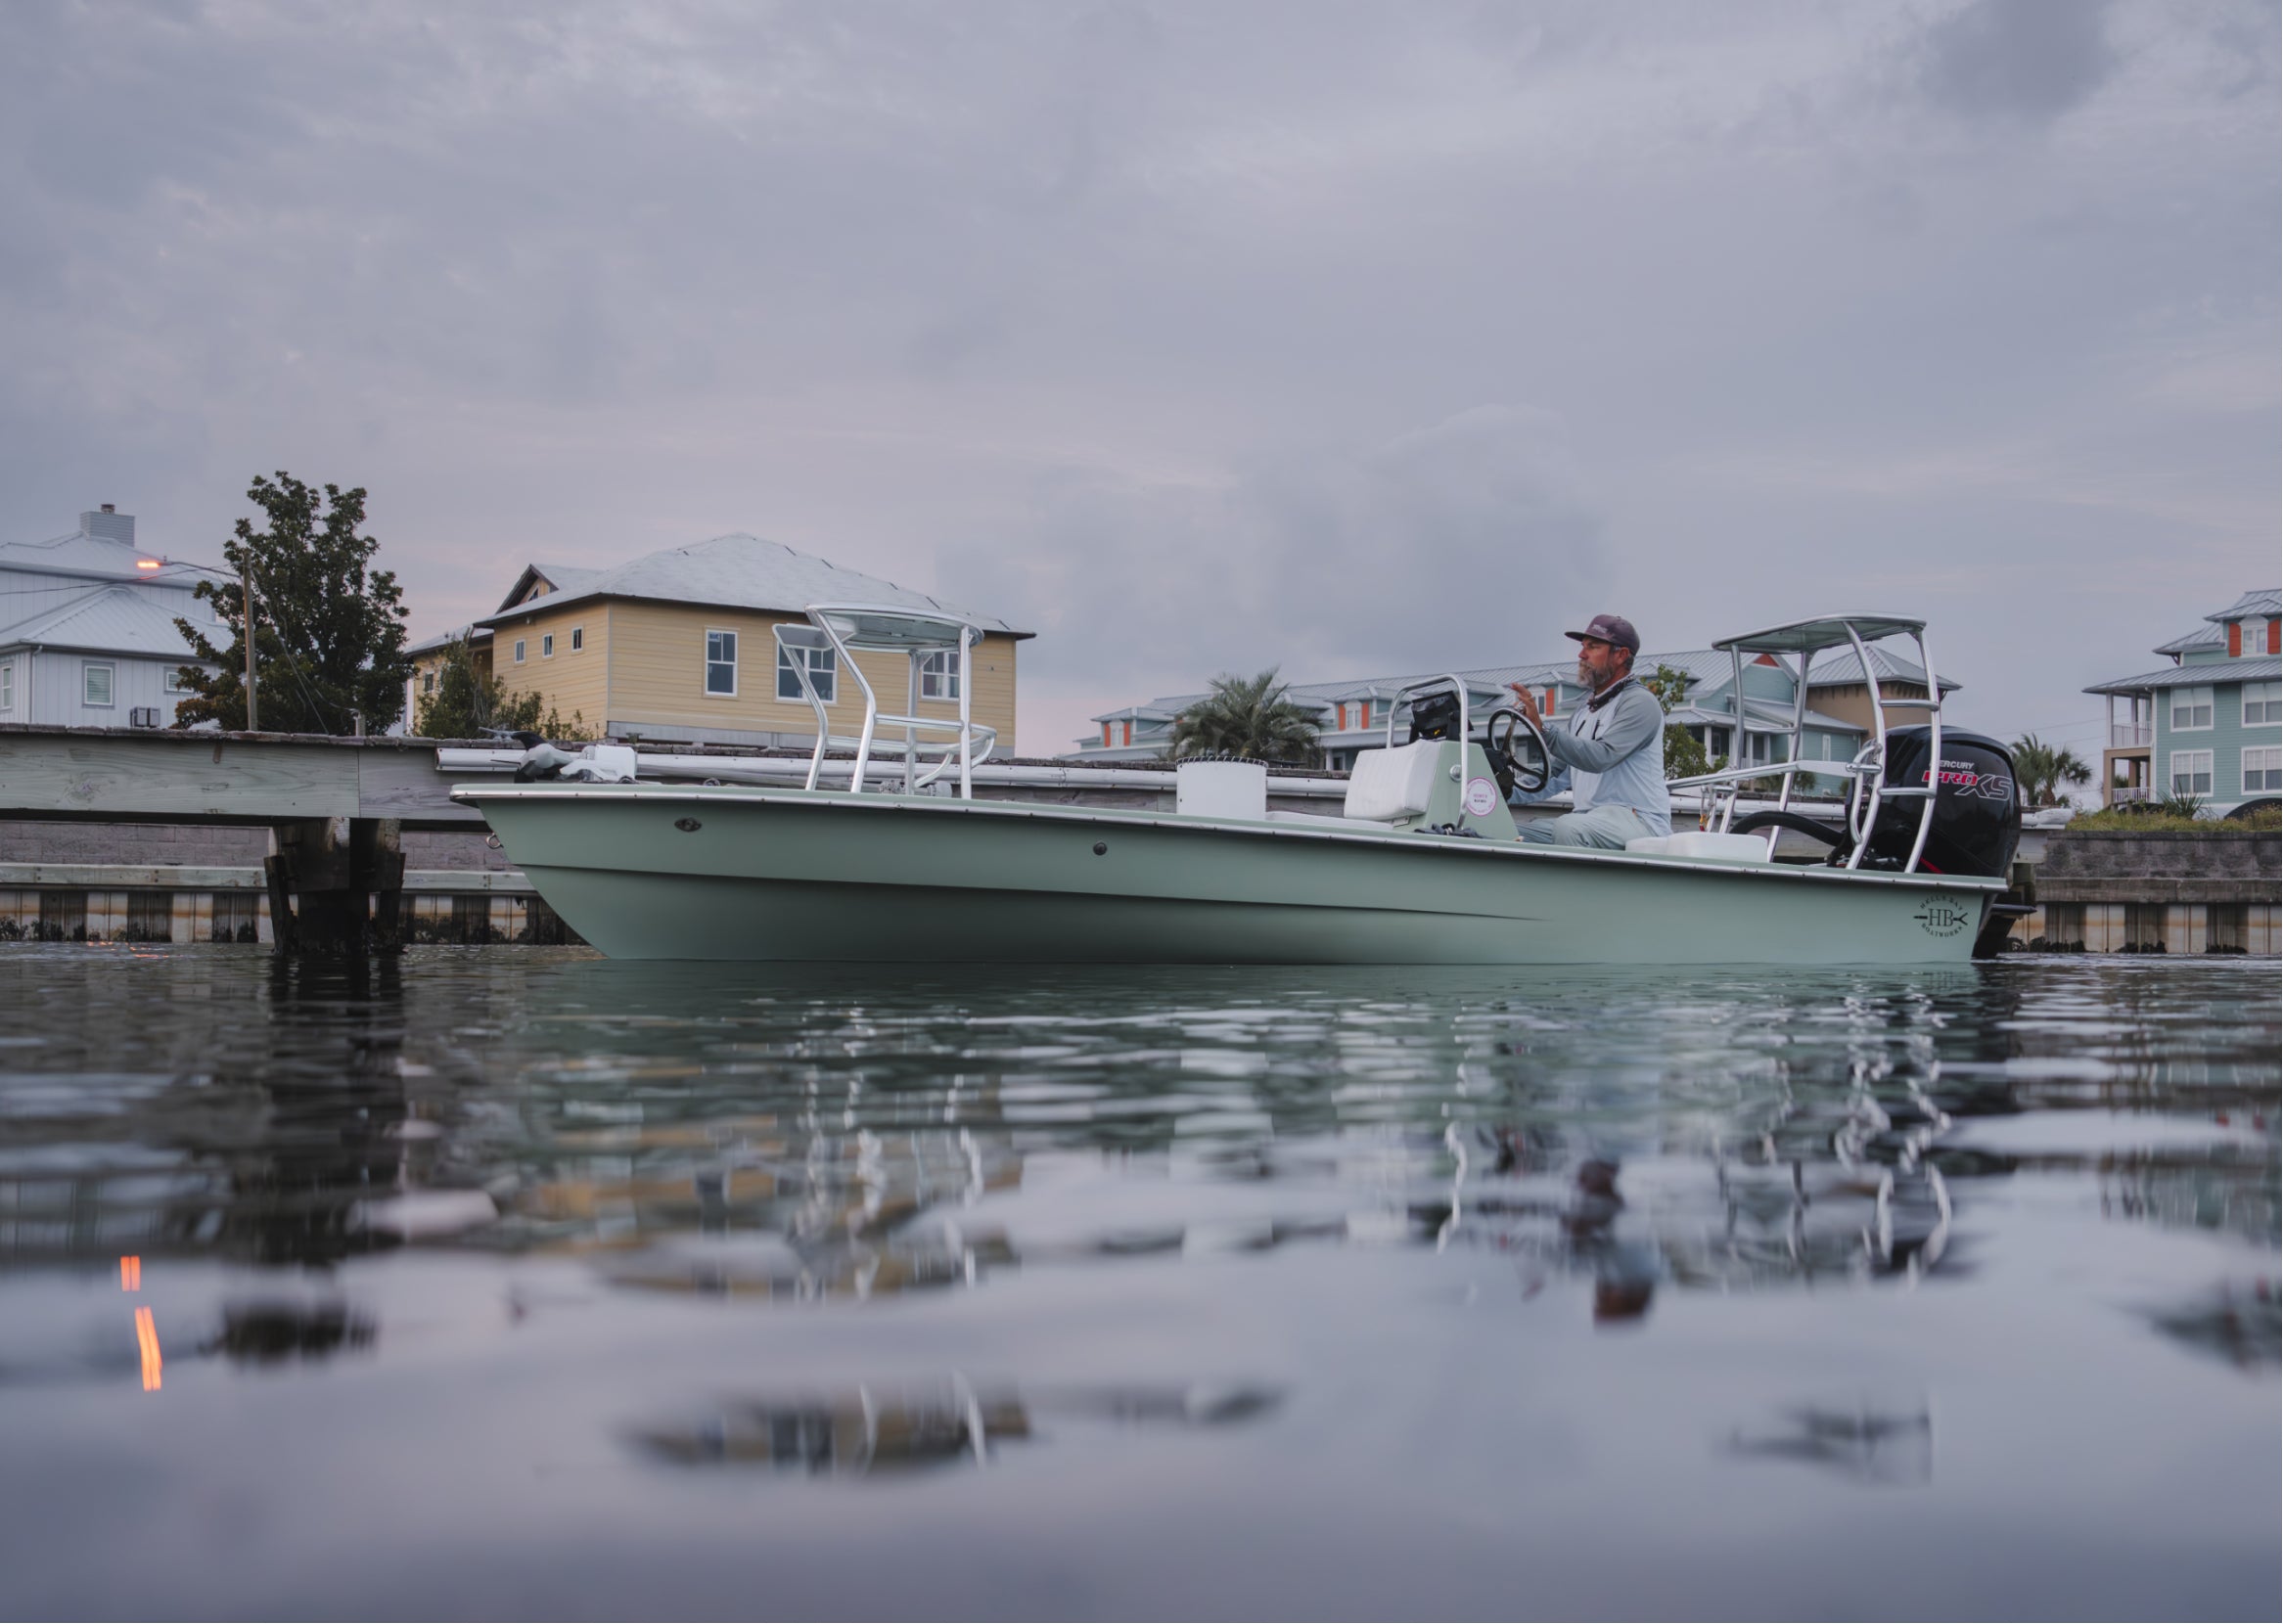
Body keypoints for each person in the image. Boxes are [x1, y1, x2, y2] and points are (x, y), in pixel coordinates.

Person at [1506, 612, 1672, 848]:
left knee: (1569, 827)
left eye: (1593, 647)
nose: (1581, 655)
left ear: (1621, 655)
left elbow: (1601, 757)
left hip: (1639, 820)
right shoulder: (1584, 709)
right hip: (1587, 820)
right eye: (1583, 647)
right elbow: (1554, 774)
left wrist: (1543, 729)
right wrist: (1495, 792)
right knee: (1505, 832)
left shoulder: (1640, 703)